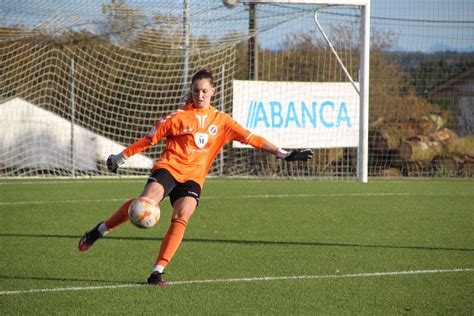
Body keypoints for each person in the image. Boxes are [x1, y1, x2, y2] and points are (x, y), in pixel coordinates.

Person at [78, 69, 313, 286]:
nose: (200, 95)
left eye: (204, 91)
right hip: (168, 169)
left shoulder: (223, 121)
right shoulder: (176, 118)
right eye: (195, 90)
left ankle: (156, 272)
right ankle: (99, 230)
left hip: (193, 178)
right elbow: (149, 140)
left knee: (182, 216)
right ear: (191, 91)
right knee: (146, 202)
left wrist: (284, 154)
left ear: (212, 91)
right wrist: (121, 157)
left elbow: (253, 139)